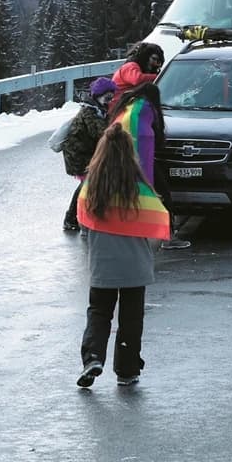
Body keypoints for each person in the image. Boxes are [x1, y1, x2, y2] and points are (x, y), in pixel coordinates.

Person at [75, 124, 171, 388]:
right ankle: (127, 369)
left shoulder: (92, 184)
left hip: (102, 263)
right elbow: (159, 217)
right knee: (131, 318)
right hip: (135, 265)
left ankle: (93, 357)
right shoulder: (138, 185)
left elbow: (82, 218)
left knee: (98, 312)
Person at [109, 81, 190, 250]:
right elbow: (157, 138)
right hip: (141, 161)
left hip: (118, 160)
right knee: (162, 194)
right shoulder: (148, 108)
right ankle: (168, 236)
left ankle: (125, 233)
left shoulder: (126, 105)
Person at [56, 77, 115, 232]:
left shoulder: (99, 109)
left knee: (89, 184)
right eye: (107, 96)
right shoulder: (89, 111)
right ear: (98, 95)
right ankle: (71, 218)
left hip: (87, 153)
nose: (110, 99)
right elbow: (99, 132)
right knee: (87, 184)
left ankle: (80, 216)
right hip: (78, 155)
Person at [109, 42, 164, 109]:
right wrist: (159, 76)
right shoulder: (130, 66)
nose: (155, 63)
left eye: (158, 61)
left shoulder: (142, 70)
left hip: (127, 106)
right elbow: (137, 79)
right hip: (118, 108)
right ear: (145, 56)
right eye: (153, 59)